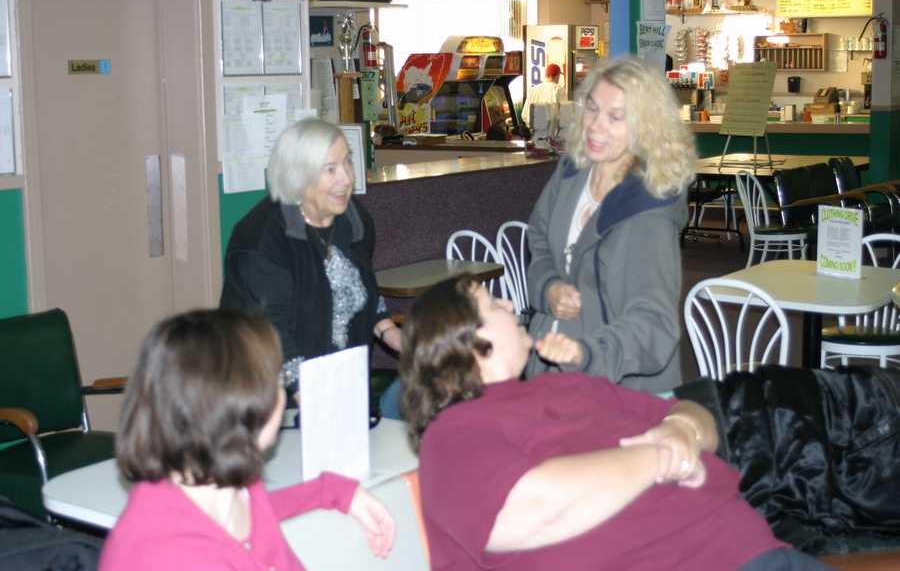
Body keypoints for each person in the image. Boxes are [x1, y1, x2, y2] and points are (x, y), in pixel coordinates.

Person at [399, 275, 831, 571]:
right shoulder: (453, 433)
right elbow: (535, 509)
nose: (510, 304)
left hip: (753, 550)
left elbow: (700, 417)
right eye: (494, 303)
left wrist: (683, 430)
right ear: (470, 341)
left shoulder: (568, 386)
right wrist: (662, 455)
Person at [99, 308, 395, 570]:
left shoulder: (227, 484)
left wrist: (329, 491)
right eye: (278, 379)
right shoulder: (172, 555)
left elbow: (255, 514)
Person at [525, 56, 695, 392]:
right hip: (551, 377)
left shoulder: (649, 211)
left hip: (619, 392)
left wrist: (587, 354)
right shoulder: (572, 172)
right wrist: (548, 288)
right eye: (592, 109)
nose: (595, 126)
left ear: (646, 127)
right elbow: (539, 240)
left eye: (615, 117)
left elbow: (654, 325)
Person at [220, 118, 402, 403]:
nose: (346, 178)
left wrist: (390, 332)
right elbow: (271, 335)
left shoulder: (354, 220)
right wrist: (313, 401)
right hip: (267, 395)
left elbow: (363, 287)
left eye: (348, 162)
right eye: (330, 169)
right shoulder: (261, 240)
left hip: (341, 379)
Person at [521, 63, 566, 128]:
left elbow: (524, 115)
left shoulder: (533, 90)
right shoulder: (558, 89)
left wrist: (533, 127)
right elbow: (565, 113)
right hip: (552, 131)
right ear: (557, 76)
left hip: (534, 131)